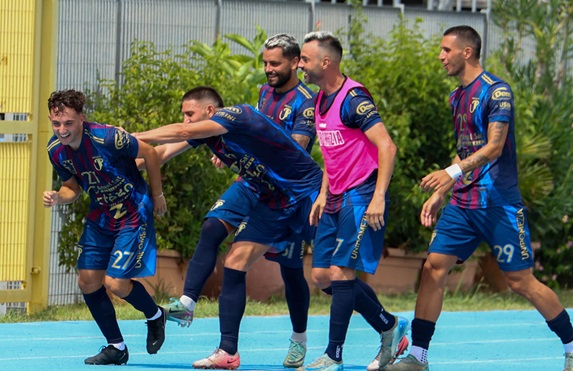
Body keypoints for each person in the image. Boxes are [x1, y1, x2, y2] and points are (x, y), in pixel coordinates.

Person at [385, 25, 573, 371]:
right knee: (432, 268)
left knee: (520, 282)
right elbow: (465, 152)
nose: (440, 57)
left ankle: (572, 345)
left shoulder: (496, 92)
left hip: (499, 202)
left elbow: (494, 146)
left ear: (466, 52)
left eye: (445, 50)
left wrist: (450, 175)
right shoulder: (456, 97)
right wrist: (443, 190)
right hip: (464, 203)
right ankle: (419, 356)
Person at [155, 34, 317, 369]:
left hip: (287, 189)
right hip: (251, 181)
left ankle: (299, 339)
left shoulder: (307, 102)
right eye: (265, 63)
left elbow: (293, 147)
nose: (268, 69)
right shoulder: (263, 92)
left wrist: (241, 150)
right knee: (214, 226)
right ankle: (189, 304)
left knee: (293, 271)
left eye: (275, 63)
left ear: (295, 62)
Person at [297, 31, 408, 371]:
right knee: (321, 276)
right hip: (334, 196)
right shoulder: (318, 100)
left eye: (305, 59)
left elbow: (387, 147)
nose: (300, 64)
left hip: (361, 194)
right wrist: (322, 193)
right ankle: (389, 325)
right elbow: (334, 152)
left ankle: (334, 355)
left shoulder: (353, 98)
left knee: (340, 271)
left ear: (325, 63)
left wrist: (378, 198)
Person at [43, 89, 168, 366]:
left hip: (133, 213)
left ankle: (156, 316)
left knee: (116, 283)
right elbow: (71, 188)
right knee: (88, 282)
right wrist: (57, 197)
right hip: (101, 216)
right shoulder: (55, 150)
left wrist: (157, 195)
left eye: (68, 123)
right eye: (56, 123)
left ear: (82, 119)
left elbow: (149, 152)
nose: (62, 130)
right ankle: (116, 347)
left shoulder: (107, 137)